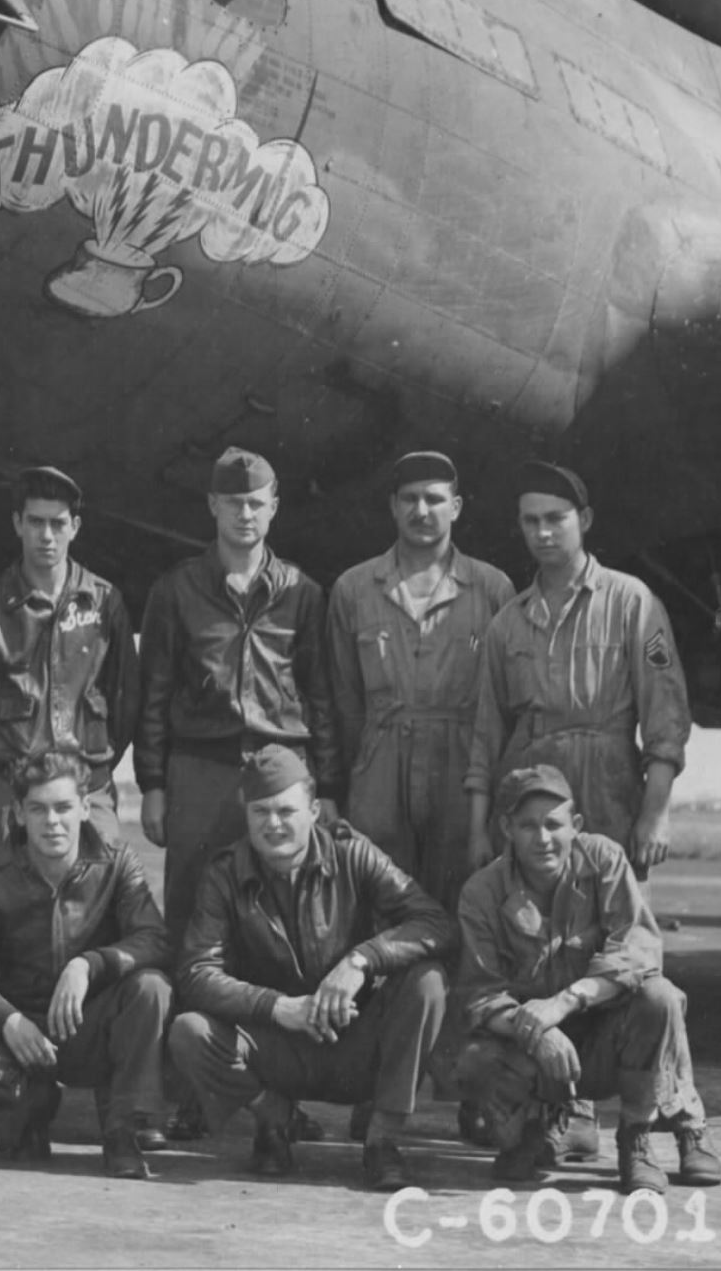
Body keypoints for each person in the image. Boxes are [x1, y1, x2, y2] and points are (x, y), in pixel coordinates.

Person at [135, 446, 338, 1136]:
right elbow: (154, 694)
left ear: (273, 507)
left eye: (257, 502)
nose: (245, 514)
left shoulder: (302, 592)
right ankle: (189, 1088)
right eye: (232, 502)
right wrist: (155, 786)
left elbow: (319, 693)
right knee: (193, 920)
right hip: (202, 768)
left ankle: (277, 1088)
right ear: (212, 508)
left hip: (280, 767)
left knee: (280, 930)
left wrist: (327, 788)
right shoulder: (176, 588)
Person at [325, 450, 513, 1143]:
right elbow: (341, 704)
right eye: (407, 498)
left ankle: (470, 1089)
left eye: (435, 498)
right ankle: (374, 1087)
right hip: (379, 766)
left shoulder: (491, 588)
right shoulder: (353, 590)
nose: (420, 511)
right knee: (376, 929)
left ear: (456, 507)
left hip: (462, 771)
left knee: (468, 932)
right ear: (392, 508)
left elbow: (500, 701)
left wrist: (486, 798)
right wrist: (341, 790)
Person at [168, 744, 455, 1192]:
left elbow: (434, 923)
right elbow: (197, 971)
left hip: (355, 1038)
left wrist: (361, 961)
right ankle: (274, 1119)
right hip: (278, 1044)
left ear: (314, 810)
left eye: (286, 810)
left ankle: (383, 1140)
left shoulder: (353, 854)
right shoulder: (224, 873)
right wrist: (279, 1008)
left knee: (429, 982)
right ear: (246, 816)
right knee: (190, 1031)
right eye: (260, 811)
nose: (274, 824)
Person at [454, 764, 721, 1196]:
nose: (542, 839)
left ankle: (640, 1137)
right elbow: (479, 995)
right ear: (506, 828)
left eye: (553, 824)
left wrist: (565, 1001)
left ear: (576, 826)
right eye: (527, 826)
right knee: (472, 1057)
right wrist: (538, 1032)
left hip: (605, 1040)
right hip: (538, 1048)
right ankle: (533, 1126)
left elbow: (638, 951)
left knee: (659, 997)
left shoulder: (604, 860)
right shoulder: (481, 892)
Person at [0, 748, 173, 1181]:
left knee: (152, 988)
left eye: (63, 807)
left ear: (86, 808)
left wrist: (89, 965)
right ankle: (33, 1105)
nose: (52, 821)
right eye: (37, 809)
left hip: (89, 1024)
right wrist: (10, 1021)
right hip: (25, 1031)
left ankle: (121, 1130)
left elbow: (155, 940)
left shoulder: (116, 862)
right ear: (18, 813)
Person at [465, 461, 693, 876]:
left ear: (584, 519)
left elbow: (666, 717)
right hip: (529, 794)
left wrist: (656, 814)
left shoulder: (631, 602)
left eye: (556, 518)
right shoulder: (507, 623)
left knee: (615, 923)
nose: (543, 532)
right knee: (529, 930)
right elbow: (486, 734)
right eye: (531, 521)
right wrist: (477, 829)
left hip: (610, 790)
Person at [0, 466, 137, 870]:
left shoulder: (105, 604)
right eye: (36, 522)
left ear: (75, 527)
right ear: (17, 524)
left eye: (57, 524)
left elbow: (125, 701)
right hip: (3, 784)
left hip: (84, 781)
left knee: (98, 897)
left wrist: (89, 766)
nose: (47, 536)